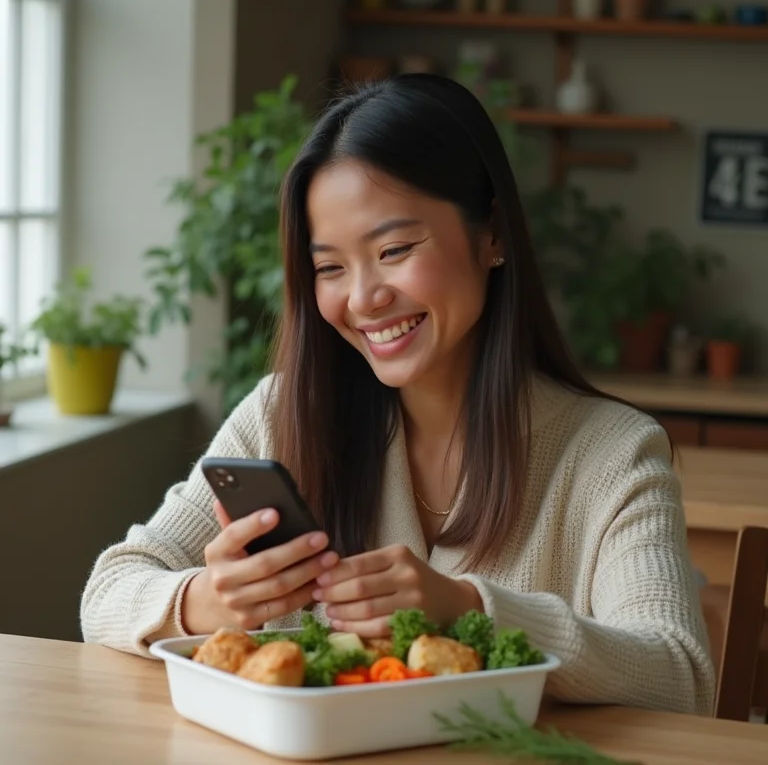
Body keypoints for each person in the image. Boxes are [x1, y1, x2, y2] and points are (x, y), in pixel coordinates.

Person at [81, 73, 714, 715]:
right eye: (329, 267)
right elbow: (107, 592)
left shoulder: (613, 453)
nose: (363, 298)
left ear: (491, 234)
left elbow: (679, 676)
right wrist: (209, 601)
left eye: (395, 249)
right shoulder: (283, 413)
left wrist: (471, 610)